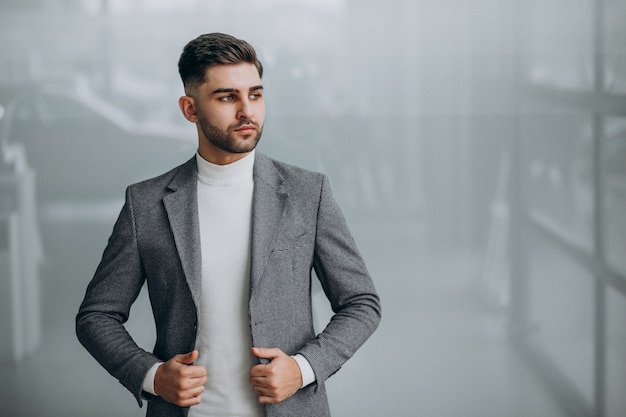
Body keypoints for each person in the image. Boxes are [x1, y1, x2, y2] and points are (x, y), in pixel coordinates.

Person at [76, 33, 381, 417]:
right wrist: (152, 376)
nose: (247, 111)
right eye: (227, 97)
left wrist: (303, 369)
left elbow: (361, 303)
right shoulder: (147, 204)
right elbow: (96, 316)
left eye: (255, 94)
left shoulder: (308, 193)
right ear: (190, 109)